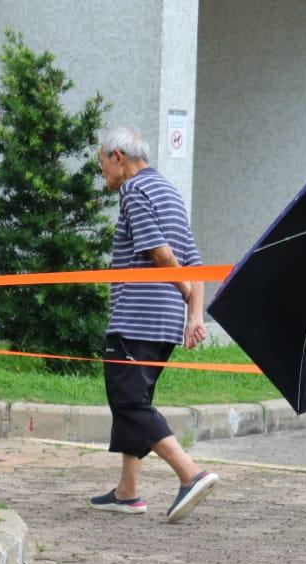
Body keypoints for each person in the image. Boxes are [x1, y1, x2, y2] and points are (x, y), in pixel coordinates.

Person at [91, 125, 218, 523]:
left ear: (118, 158)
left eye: (102, 165)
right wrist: (194, 316)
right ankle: (127, 491)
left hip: (136, 319)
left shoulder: (134, 190)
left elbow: (162, 255)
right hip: (163, 326)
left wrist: (184, 294)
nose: (104, 175)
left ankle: (189, 472)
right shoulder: (169, 191)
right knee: (135, 402)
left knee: (127, 401)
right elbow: (196, 262)